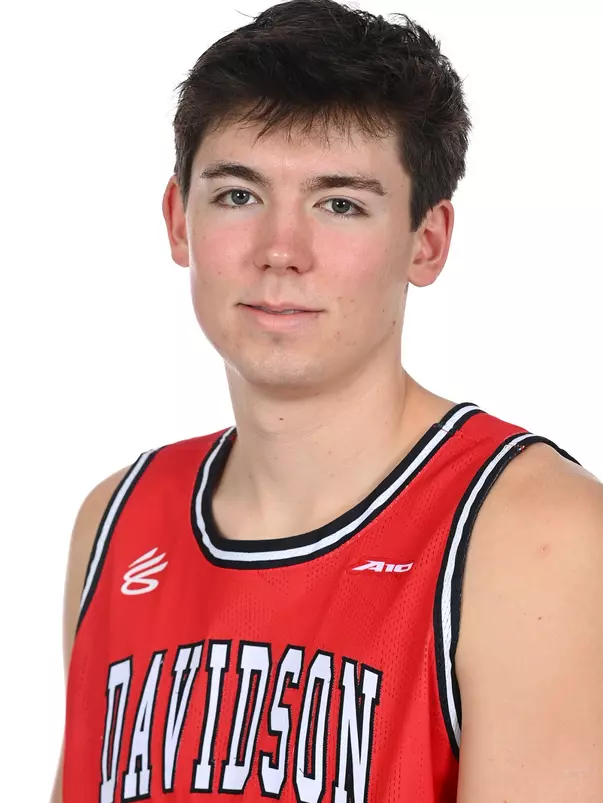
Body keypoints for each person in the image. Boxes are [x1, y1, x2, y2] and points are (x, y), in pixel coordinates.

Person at [51, 1, 603, 801]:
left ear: (426, 241)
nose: (282, 251)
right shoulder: (114, 520)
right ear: (178, 220)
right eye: (238, 195)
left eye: (339, 203)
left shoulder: (533, 535)